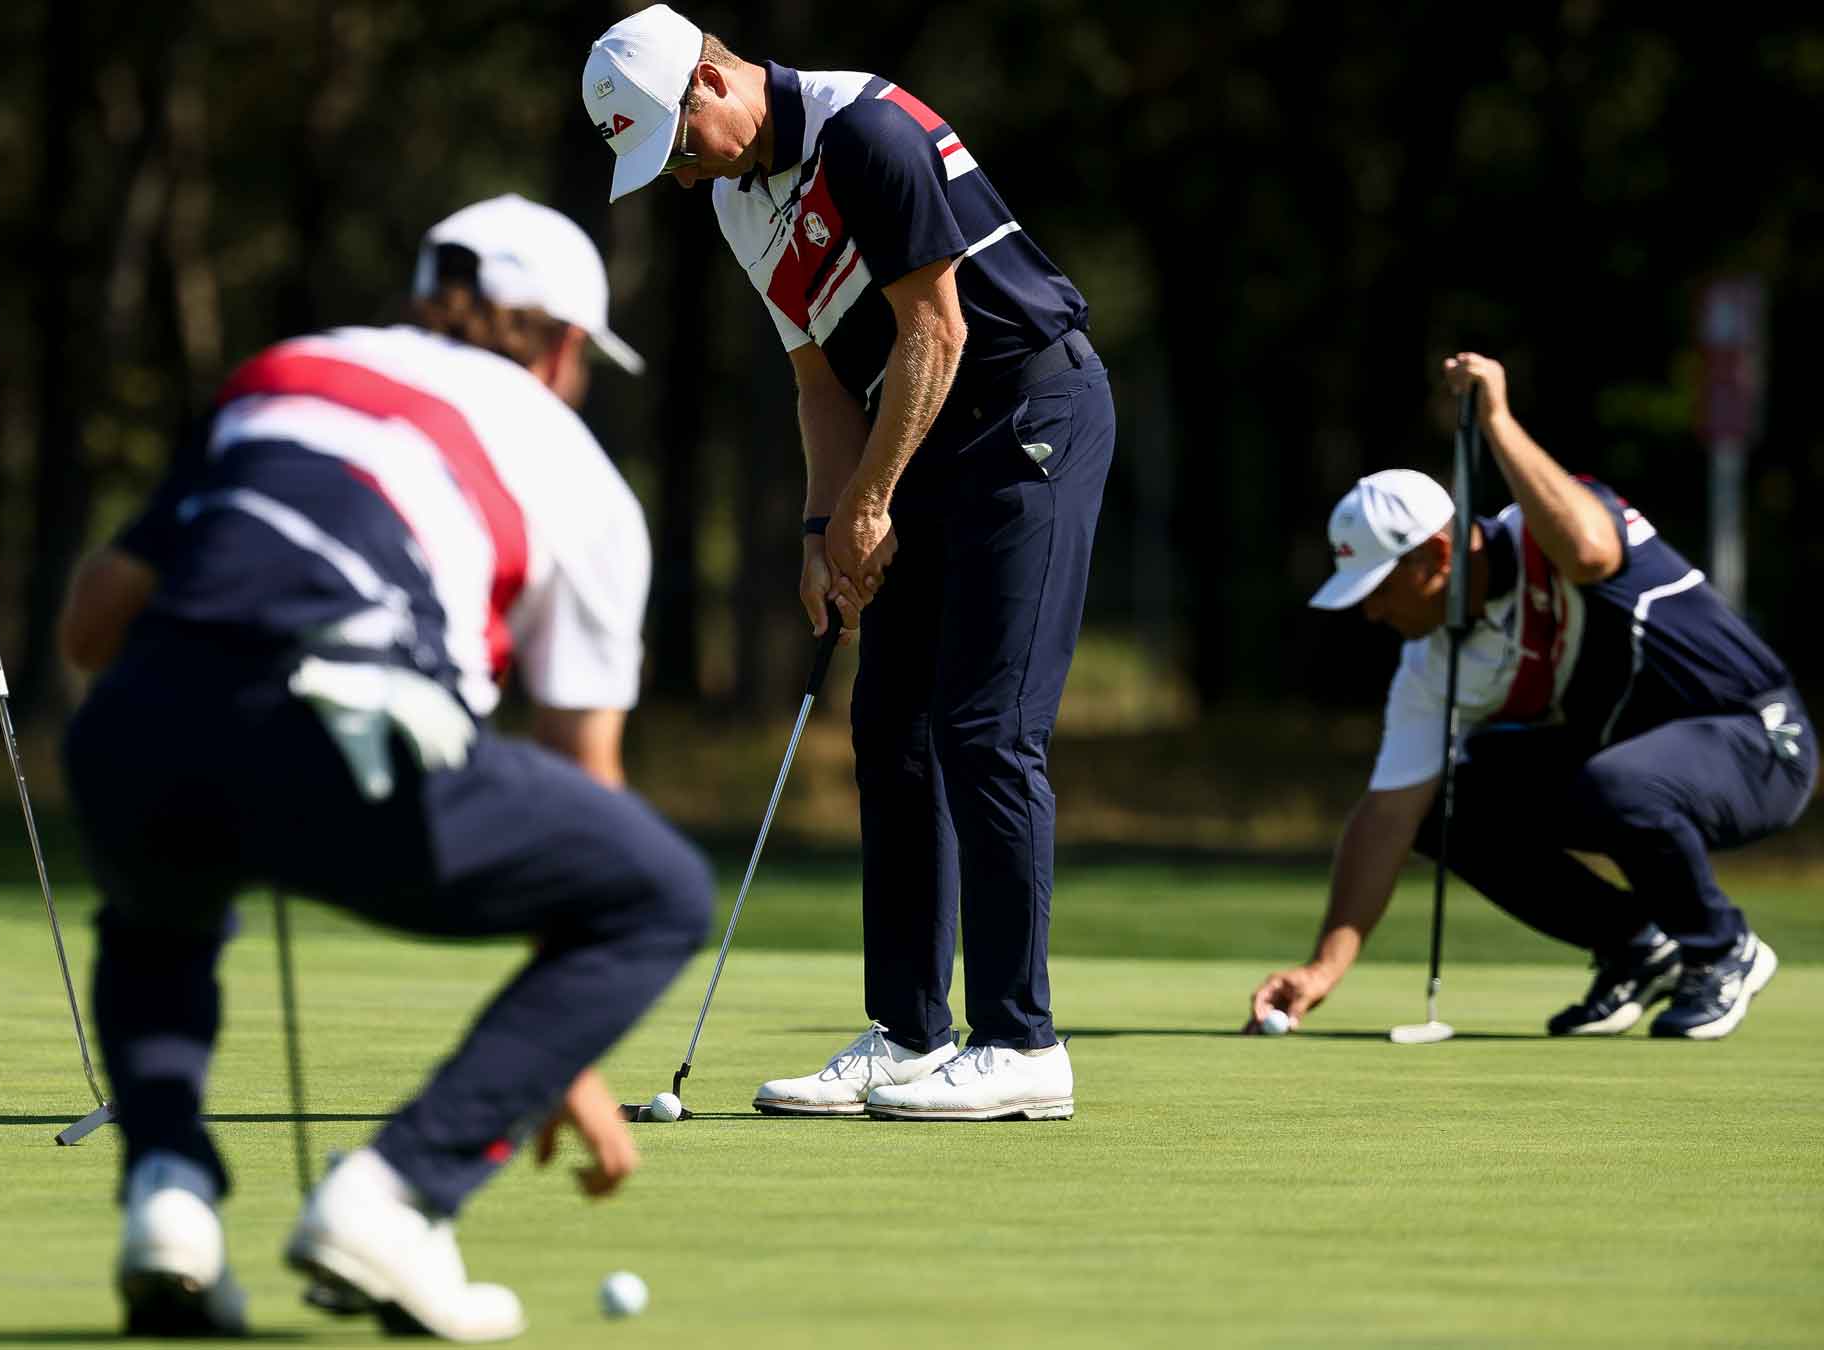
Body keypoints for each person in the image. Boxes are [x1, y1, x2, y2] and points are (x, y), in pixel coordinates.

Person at [55, 194, 709, 1341]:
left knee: (161, 906)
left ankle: (168, 1191)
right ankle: (395, 1198)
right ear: (561, 343)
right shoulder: (582, 470)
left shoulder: (287, 372)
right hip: (353, 744)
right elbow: (584, 782)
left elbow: (91, 623)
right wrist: (556, 1054)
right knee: (660, 892)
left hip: (132, 729)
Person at [585, 6, 1113, 1120]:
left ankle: (1023, 1044)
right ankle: (911, 1033)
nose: (680, 175)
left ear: (712, 83)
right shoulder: (736, 201)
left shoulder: (864, 131)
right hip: (917, 438)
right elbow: (821, 381)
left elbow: (938, 331)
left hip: (1029, 416)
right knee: (892, 730)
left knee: (985, 728)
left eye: (677, 146)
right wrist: (823, 532)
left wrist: (872, 501)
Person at [1250, 353, 1812, 1040]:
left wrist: (1496, 418)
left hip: (1759, 742)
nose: (1371, 613)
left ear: (1437, 558)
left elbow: (1590, 552)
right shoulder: (1431, 662)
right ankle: (1637, 944)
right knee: (1445, 805)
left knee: (1619, 784)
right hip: (1633, 767)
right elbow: (1389, 811)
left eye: (1380, 589)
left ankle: (1722, 948)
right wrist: (1323, 968)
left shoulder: (1549, 530)